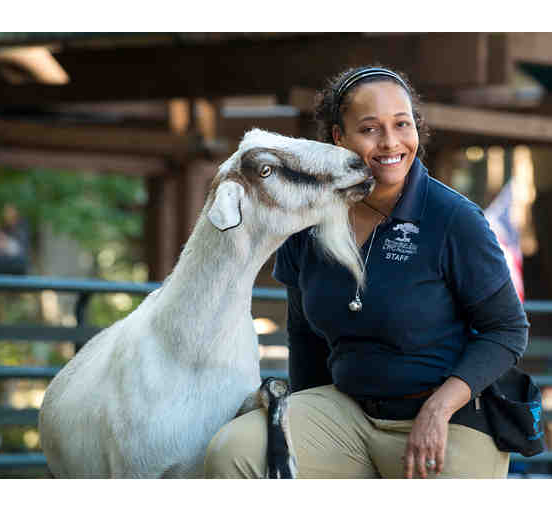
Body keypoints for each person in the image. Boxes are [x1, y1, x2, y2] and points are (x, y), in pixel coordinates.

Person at [205, 65, 529, 479]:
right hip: (348, 413)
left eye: (402, 124)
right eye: (370, 129)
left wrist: (440, 407)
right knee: (233, 453)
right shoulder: (309, 223)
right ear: (339, 138)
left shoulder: (455, 220)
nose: (391, 142)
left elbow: (507, 330)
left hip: (451, 417)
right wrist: (297, 418)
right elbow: (304, 335)